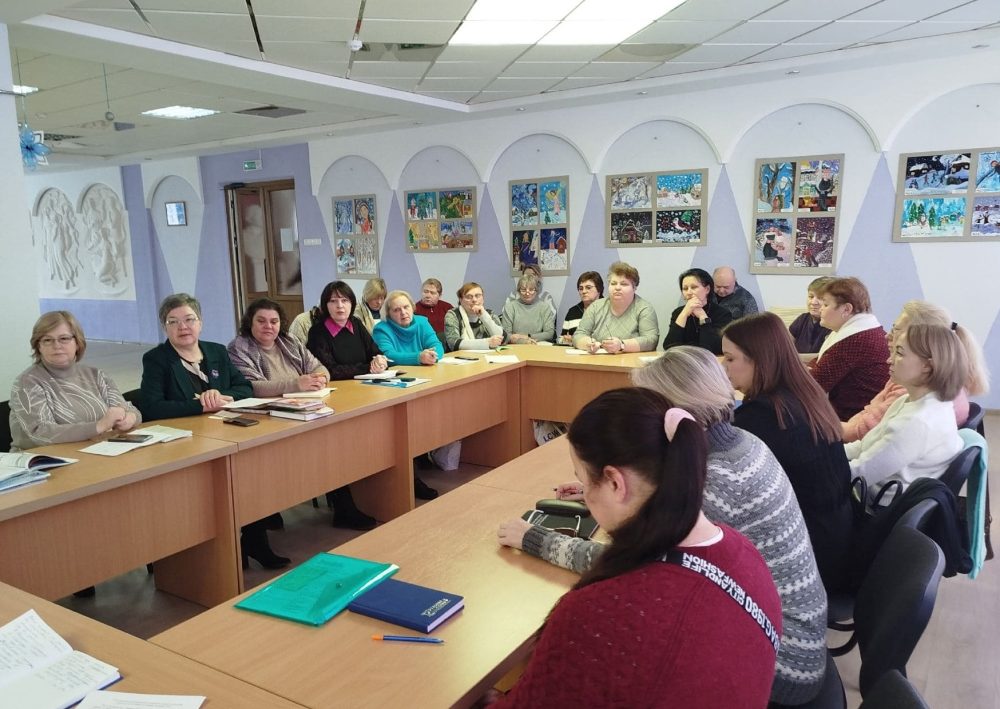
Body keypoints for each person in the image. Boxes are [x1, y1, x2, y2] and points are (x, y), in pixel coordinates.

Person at [500, 346, 828, 706]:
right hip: (774, 630)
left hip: (786, 661)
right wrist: (600, 487)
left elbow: (640, 566)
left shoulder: (717, 484)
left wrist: (537, 539)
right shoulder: (739, 444)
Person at [138, 294, 287, 569]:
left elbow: (244, 388)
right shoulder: (157, 359)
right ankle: (207, 554)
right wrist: (199, 405)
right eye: (173, 322)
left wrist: (224, 397)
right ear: (165, 327)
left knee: (250, 470)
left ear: (201, 322)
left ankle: (254, 539)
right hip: (183, 444)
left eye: (189, 319)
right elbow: (151, 407)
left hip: (226, 433)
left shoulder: (216, 351)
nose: (183, 327)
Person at [721, 312, 853, 593]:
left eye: (730, 359)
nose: (724, 366)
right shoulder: (804, 395)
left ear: (758, 359)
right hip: (836, 540)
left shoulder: (762, 417)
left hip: (807, 562)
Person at [227, 298, 376, 531]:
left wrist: (321, 378)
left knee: (333, 443)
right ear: (250, 323)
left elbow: (318, 366)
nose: (268, 326)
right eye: (261, 321)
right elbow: (251, 386)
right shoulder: (239, 347)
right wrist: (296, 384)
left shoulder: (289, 341)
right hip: (266, 417)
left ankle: (343, 507)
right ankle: (262, 516)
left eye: (274, 321)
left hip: (301, 409)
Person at [847, 323, 968, 505]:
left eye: (900, 353)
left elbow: (859, 474)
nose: (889, 360)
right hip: (868, 491)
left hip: (873, 506)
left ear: (927, 365)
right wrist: (827, 451)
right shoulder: (911, 401)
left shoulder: (918, 422)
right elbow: (865, 446)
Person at [842, 300, 989, 442]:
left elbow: (866, 433)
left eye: (896, 330)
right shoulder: (931, 378)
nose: (887, 336)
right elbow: (870, 414)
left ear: (920, 339)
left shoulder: (914, 390)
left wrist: (833, 429)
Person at [10, 310, 141, 451]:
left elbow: (127, 409)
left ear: (78, 343)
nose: (56, 345)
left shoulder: (96, 375)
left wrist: (130, 418)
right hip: (42, 459)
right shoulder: (27, 382)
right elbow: (40, 432)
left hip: (96, 452)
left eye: (64, 338)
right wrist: (100, 426)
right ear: (38, 346)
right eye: (47, 340)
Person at [807, 277, 889, 420]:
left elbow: (813, 386)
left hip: (852, 420)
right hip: (857, 415)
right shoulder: (865, 331)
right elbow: (822, 363)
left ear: (846, 309)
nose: (820, 308)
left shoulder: (855, 341)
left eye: (825, 304)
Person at [306, 281, 388, 379]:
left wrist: (380, 361)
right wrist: (368, 367)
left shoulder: (356, 323)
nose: (340, 305)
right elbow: (330, 371)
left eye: (344, 300)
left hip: (366, 384)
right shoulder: (317, 332)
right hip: (337, 386)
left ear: (352, 303)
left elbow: (375, 352)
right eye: (333, 301)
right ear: (325, 305)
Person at [572, 261, 658, 353]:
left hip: (631, 360)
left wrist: (621, 345)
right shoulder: (595, 307)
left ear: (634, 288)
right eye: (613, 283)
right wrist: (588, 344)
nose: (617, 288)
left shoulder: (644, 308)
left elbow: (651, 340)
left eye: (624, 284)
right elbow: (578, 335)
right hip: (597, 359)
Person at [662, 267, 732, 354]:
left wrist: (703, 316)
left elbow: (714, 348)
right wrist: (684, 314)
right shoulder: (678, 313)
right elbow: (669, 346)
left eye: (694, 287)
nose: (689, 292)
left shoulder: (722, 314)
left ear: (707, 289)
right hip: (685, 360)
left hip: (710, 361)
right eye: (685, 289)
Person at [373, 290, 443, 365]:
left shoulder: (422, 322)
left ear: (412, 307)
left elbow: (436, 345)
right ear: (388, 314)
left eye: (406, 307)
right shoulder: (381, 330)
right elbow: (387, 356)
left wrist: (432, 356)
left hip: (425, 370)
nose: (403, 312)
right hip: (399, 371)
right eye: (396, 310)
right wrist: (418, 358)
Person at [443, 282, 507, 351]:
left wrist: (483, 316)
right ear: (461, 300)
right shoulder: (453, 315)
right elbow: (453, 343)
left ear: (483, 298)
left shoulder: (489, 314)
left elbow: (503, 339)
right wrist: (486, 343)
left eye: (478, 296)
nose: (474, 300)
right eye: (469, 297)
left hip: (487, 356)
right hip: (460, 356)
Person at [499, 272, 555, 344]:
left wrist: (528, 336)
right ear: (518, 291)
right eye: (523, 290)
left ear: (536, 291)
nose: (527, 293)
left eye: (531, 290)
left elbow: (549, 334)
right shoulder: (510, 307)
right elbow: (507, 335)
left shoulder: (544, 307)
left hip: (538, 345)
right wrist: (523, 341)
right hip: (516, 346)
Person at [788, 276, 833, 354]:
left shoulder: (834, 324)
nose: (813, 302)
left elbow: (825, 356)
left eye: (820, 298)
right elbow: (785, 345)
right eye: (811, 297)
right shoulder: (802, 319)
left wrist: (794, 358)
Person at [559, 270, 603, 344]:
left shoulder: (608, 309)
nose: (584, 291)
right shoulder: (572, 311)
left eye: (588, 287)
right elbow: (561, 338)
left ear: (599, 289)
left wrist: (578, 340)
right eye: (581, 288)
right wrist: (565, 340)